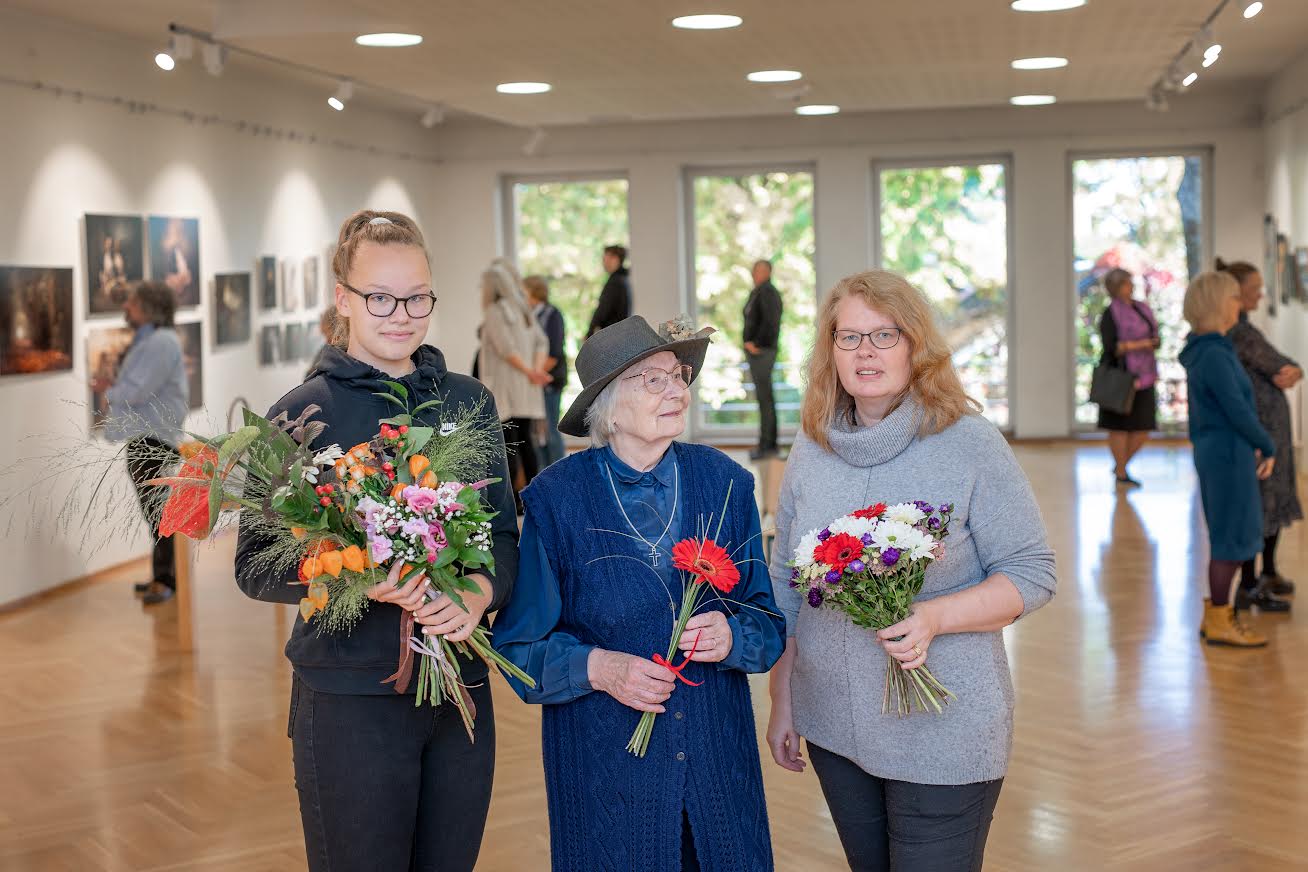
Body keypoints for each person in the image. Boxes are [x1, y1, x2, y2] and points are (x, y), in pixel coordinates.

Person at [234, 210, 519, 871]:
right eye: (381, 298)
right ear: (344, 300)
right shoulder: (301, 415)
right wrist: (352, 569)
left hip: (459, 691)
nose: (402, 314)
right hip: (349, 700)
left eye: (418, 296)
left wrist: (477, 595)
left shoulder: (466, 403)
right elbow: (254, 565)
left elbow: (503, 534)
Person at [765, 270, 1056, 872]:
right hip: (834, 723)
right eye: (849, 337)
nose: (865, 352)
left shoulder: (969, 442)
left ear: (916, 346)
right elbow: (787, 582)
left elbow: (1031, 572)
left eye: (884, 335)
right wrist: (783, 693)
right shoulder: (812, 446)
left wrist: (933, 617)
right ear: (830, 351)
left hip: (943, 725)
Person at [492, 315, 785, 872]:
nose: (677, 389)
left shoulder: (726, 482)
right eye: (654, 379)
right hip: (607, 771)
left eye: (679, 376)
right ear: (607, 402)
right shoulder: (557, 498)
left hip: (716, 759)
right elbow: (518, 647)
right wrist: (599, 667)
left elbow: (767, 623)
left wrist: (733, 637)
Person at [1179, 270, 1276, 648]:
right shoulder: (1214, 352)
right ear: (1220, 304)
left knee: (1232, 536)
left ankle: (1217, 617)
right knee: (1230, 540)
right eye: (1235, 297)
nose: (1241, 304)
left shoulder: (1208, 347)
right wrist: (1267, 445)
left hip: (1224, 451)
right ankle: (1220, 619)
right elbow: (1236, 410)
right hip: (1227, 454)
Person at [90, 280, 189, 605]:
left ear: (148, 307)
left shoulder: (161, 342)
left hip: (155, 439)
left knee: (160, 512)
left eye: (131, 303)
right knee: (155, 511)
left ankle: (167, 579)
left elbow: (137, 390)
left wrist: (110, 391)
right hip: (147, 437)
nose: (126, 309)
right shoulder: (153, 340)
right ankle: (162, 576)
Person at [1218, 258, 1299, 613]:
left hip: (1267, 430)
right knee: (1262, 505)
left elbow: (1288, 367)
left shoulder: (1242, 330)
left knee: (1266, 504)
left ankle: (1263, 575)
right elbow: (1282, 365)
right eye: (1254, 290)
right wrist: (1291, 369)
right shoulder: (1240, 335)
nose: (1261, 294)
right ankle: (1251, 584)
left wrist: (1293, 369)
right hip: (1260, 433)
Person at [479, 260, 550, 511]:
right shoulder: (523, 308)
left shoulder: (495, 311)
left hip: (507, 390)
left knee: (508, 446)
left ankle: (515, 503)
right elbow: (542, 342)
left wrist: (532, 371)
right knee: (527, 445)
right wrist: (536, 371)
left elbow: (505, 349)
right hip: (527, 388)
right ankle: (534, 499)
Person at [1096, 268, 1160, 486]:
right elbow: (1111, 347)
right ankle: (1121, 471)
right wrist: (1140, 345)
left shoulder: (1141, 308)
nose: (1131, 286)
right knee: (1119, 427)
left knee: (1143, 426)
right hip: (1121, 377)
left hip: (1145, 376)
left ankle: (1120, 466)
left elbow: (1154, 335)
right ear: (1116, 287)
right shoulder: (1110, 314)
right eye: (1126, 283)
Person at [525, 274, 567, 467]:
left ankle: (559, 470)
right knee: (537, 432)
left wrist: (536, 375)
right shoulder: (530, 316)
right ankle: (543, 473)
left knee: (550, 428)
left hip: (549, 379)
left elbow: (554, 352)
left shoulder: (552, 314)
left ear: (534, 292)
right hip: (535, 380)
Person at [743, 258, 784, 460]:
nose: (755, 273)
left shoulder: (768, 292)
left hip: (763, 352)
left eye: (759, 270)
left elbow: (770, 323)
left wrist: (756, 343)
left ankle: (768, 445)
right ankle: (765, 443)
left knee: (765, 399)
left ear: (768, 272)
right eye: (754, 269)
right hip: (758, 352)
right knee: (763, 398)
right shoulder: (757, 291)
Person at [586, 244, 631, 338]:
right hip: (620, 333)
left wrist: (590, 332)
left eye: (605, 258)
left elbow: (603, 310)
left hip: (612, 335)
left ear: (615, 259)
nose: (603, 262)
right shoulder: (623, 279)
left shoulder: (615, 282)